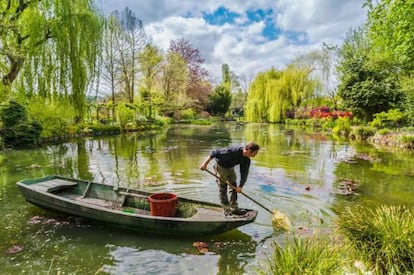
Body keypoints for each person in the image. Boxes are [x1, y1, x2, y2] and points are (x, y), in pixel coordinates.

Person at [199, 141, 260, 216]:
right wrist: (204, 164)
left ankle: (234, 208)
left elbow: (244, 173)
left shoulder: (246, 159)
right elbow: (214, 152)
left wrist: (240, 186)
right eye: (255, 153)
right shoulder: (232, 151)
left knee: (234, 188)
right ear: (250, 151)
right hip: (221, 167)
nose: (255, 155)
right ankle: (227, 210)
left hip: (230, 168)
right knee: (223, 188)